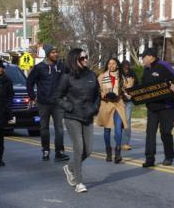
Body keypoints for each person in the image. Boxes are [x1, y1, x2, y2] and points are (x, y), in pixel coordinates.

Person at [56, 48, 100, 193]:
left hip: (88, 116)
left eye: (86, 57)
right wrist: (69, 106)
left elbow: (97, 96)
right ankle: (79, 182)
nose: (86, 60)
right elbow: (57, 97)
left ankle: (69, 168)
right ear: (75, 60)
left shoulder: (92, 75)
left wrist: (94, 109)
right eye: (82, 58)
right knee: (79, 148)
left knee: (88, 151)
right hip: (72, 116)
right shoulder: (67, 77)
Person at [26, 44, 69, 161]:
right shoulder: (39, 67)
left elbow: (70, 78)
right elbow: (29, 82)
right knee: (44, 128)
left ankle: (59, 152)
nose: (56, 54)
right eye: (53, 53)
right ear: (48, 54)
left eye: (56, 52)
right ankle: (45, 150)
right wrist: (32, 96)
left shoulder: (62, 66)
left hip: (58, 103)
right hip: (43, 102)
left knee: (59, 128)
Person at [140, 48, 174, 167]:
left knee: (165, 132)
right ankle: (150, 158)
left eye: (143, 57)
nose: (142, 60)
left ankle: (169, 156)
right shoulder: (146, 69)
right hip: (152, 107)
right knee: (150, 133)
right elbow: (142, 86)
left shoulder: (164, 65)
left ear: (150, 56)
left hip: (166, 106)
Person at [97, 58, 128, 164]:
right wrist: (104, 95)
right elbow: (98, 91)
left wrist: (125, 94)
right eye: (109, 63)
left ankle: (118, 154)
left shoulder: (122, 77)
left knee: (118, 128)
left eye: (114, 63)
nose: (111, 65)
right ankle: (108, 152)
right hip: (106, 104)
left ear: (117, 65)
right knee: (107, 131)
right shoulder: (101, 76)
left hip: (118, 104)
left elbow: (126, 90)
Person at [121, 60, 138, 151]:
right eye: (124, 67)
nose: (126, 69)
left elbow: (137, 86)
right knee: (119, 121)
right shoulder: (118, 75)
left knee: (127, 121)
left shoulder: (133, 75)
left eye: (127, 67)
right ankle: (119, 141)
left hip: (129, 101)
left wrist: (133, 94)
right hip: (119, 101)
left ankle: (126, 142)